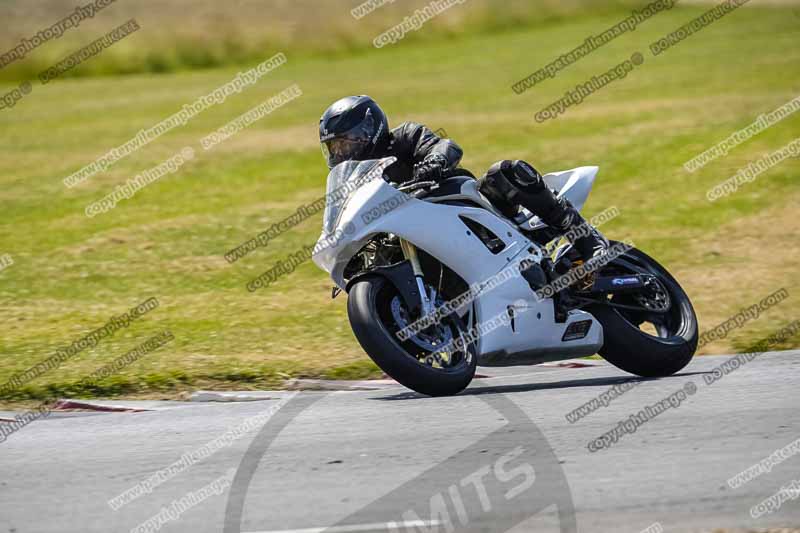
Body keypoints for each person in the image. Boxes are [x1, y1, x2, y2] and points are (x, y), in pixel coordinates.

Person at [319, 95, 607, 262]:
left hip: (459, 202)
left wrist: (432, 164)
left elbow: (446, 146)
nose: (343, 152)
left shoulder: (404, 137)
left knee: (506, 171)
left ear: (370, 128)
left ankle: (587, 240)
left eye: (346, 142)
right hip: (413, 231)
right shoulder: (356, 179)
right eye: (335, 148)